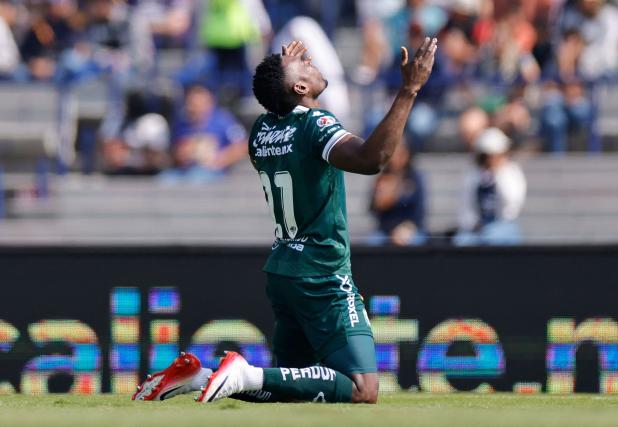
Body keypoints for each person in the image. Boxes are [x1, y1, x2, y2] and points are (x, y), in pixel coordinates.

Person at [133, 37, 438, 403]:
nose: (312, 64)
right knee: (363, 388)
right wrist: (409, 89)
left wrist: (285, 77)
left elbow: (293, 113)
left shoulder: (260, 130)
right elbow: (373, 159)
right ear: (299, 88)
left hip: (284, 270)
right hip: (322, 272)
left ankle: (199, 377)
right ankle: (245, 371)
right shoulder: (315, 124)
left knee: (292, 388)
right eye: (304, 68)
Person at [159, 84, 248, 183]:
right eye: (191, 103)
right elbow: (173, 152)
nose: (193, 107)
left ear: (209, 103)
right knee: (165, 180)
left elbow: (242, 146)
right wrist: (183, 153)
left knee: (196, 178)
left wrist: (220, 159)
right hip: (183, 170)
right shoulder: (181, 123)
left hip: (211, 172)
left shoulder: (223, 120)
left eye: (198, 103)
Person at [455, 127, 526, 246]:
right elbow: (466, 204)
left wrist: (499, 173)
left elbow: (512, 202)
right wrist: (473, 224)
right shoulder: (473, 175)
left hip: (504, 224)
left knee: (491, 237)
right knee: (461, 241)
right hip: (479, 227)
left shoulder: (512, 172)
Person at [369, 141, 427, 246]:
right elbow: (372, 207)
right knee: (373, 241)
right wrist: (381, 201)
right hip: (385, 230)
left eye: (401, 153)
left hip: (410, 229)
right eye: (394, 153)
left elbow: (419, 211)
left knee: (417, 241)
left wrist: (408, 228)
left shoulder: (415, 178)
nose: (396, 157)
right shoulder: (382, 178)